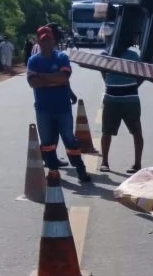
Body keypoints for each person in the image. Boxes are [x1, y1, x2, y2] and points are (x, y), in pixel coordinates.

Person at [26, 26, 91, 183]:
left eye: (49, 40)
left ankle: (80, 170)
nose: (46, 43)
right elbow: (32, 83)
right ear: (39, 42)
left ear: (53, 41)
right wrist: (54, 79)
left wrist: (42, 78)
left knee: (70, 140)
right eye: (43, 41)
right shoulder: (33, 60)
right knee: (47, 143)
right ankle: (53, 171)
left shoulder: (61, 57)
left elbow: (63, 78)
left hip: (62, 108)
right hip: (43, 109)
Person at [98, 35, 145, 173]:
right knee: (106, 132)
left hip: (130, 100)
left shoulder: (133, 56)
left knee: (136, 132)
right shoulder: (105, 55)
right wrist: (109, 83)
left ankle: (137, 164)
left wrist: (134, 86)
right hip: (112, 98)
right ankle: (104, 162)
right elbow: (102, 71)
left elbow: (143, 73)